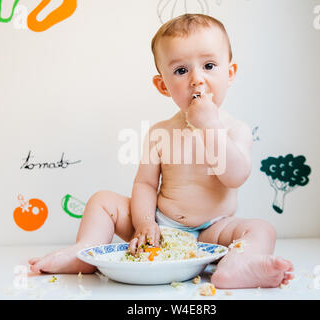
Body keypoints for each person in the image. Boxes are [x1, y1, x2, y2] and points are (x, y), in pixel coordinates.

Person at [28, 13, 294, 288]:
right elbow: (144, 183)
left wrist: (210, 127)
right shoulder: (160, 132)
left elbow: (235, 177)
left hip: (212, 232)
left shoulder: (236, 130)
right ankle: (86, 251)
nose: (196, 79)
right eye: (181, 70)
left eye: (209, 65)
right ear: (163, 85)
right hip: (158, 226)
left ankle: (237, 265)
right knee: (102, 200)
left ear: (230, 73)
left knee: (262, 230)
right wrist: (145, 223)